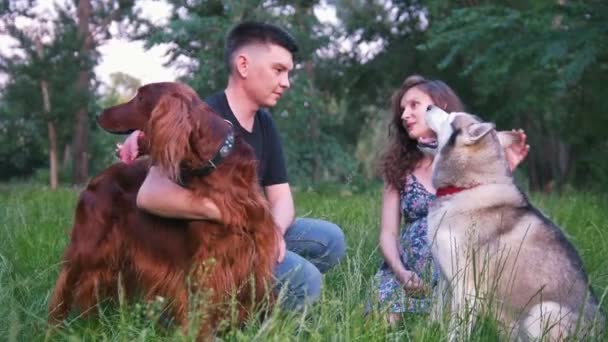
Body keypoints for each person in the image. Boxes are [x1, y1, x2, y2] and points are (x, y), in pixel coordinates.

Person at [117, 21, 346, 310]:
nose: (286, 82)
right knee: (307, 281)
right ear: (244, 65)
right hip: (209, 248)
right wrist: (225, 212)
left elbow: (281, 196)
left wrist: (272, 233)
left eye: (288, 72)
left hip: (250, 234)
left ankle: (252, 298)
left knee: (330, 240)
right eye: (279, 70)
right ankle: (222, 306)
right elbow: (150, 195)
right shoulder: (200, 120)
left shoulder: (264, 122)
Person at [373, 75, 529, 325]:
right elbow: (388, 233)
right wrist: (401, 272)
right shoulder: (398, 168)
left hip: (459, 272)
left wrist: (503, 170)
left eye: (414, 105)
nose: (404, 115)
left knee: (452, 321)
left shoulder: (469, 158)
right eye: (402, 109)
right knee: (382, 322)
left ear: (440, 106)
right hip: (408, 274)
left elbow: (497, 220)